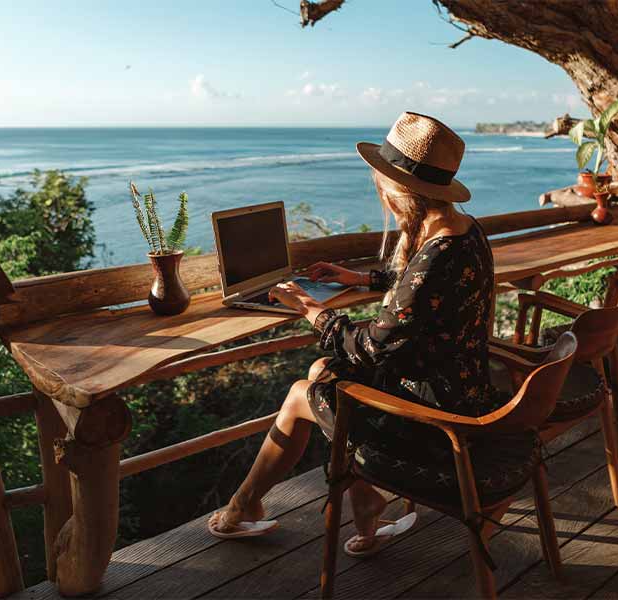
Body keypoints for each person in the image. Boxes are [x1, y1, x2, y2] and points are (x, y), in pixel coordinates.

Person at [208, 112, 500, 556]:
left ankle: (243, 506)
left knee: (301, 392)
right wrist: (362, 279)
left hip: (438, 418)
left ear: (399, 189)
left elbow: (372, 347)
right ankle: (361, 508)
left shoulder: (435, 254)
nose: (377, 188)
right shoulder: (463, 230)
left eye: (381, 180)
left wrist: (310, 308)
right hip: (465, 390)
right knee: (323, 369)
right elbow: (425, 294)